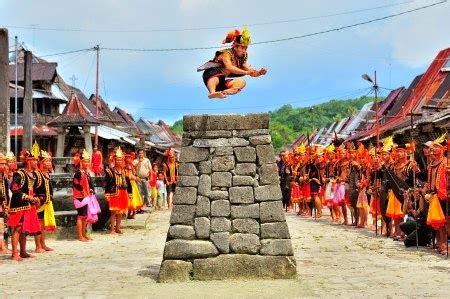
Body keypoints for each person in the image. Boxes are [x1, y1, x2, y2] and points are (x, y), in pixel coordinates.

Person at [199, 27, 267, 99]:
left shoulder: (243, 57)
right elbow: (229, 67)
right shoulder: (226, 54)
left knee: (242, 82)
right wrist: (247, 72)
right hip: (210, 75)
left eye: (245, 48)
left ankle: (226, 91)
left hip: (222, 81)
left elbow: (251, 72)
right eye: (242, 47)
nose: (244, 50)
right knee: (216, 77)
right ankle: (212, 93)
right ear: (235, 46)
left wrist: (259, 73)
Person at [8, 149, 41, 261]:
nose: (36, 162)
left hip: (28, 205)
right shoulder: (20, 173)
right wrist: (28, 197)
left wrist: (35, 197)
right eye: (34, 160)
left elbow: (31, 189)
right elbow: (14, 188)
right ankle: (14, 253)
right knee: (17, 228)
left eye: (36, 160)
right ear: (28, 161)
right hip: (19, 204)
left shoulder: (33, 174)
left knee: (24, 229)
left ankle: (23, 251)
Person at [73, 150, 99, 241]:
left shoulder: (86, 172)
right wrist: (83, 191)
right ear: (81, 162)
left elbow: (89, 184)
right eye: (85, 161)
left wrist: (91, 190)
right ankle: (80, 236)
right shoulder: (78, 172)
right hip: (80, 197)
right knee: (81, 216)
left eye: (88, 161)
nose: (87, 163)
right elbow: (76, 183)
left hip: (87, 196)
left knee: (85, 217)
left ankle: (84, 234)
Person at [34, 150, 56, 252]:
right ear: (41, 162)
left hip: (47, 203)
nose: (49, 163)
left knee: (43, 224)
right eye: (46, 161)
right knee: (39, 224)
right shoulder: (37, 174)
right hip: (39, 204)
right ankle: (38, 246)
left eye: (49, 161)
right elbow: (32, 189)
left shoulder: (47, 174)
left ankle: (43, 244)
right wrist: (36, 199)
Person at [105, 147, 128, 234]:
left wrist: (129, 193)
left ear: (122, 160)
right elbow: (106, 184)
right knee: (113, 212)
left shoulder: (124, 171)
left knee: (120, 212)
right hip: (114, 193)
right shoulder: (110, 171)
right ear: (114, 160)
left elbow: (127, 183)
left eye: (120, 160)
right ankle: (112, 229)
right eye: (117, 160)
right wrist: (107, 194)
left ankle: (118, 228)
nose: (119, 161)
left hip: (122, 193)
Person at [125, 152, 143, 219]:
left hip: (132, 184)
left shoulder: (130, 166)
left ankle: (133, 213)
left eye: (129, 158)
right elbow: (129, 176)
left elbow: (131, 175)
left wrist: (135, 178)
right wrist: (136, 178)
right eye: (127, 157)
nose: (128, 159)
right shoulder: (128, 166)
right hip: (129, 183)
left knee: (133, 198)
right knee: (131, 199)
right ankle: (130, 214)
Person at [0, 153, 11, 256]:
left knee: (1, 226)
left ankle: (2, 246)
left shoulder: (3, 177)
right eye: (1, 164)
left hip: (2, 205)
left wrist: (6, 207)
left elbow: (5, 193)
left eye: (4, 164)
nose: (4, 166)